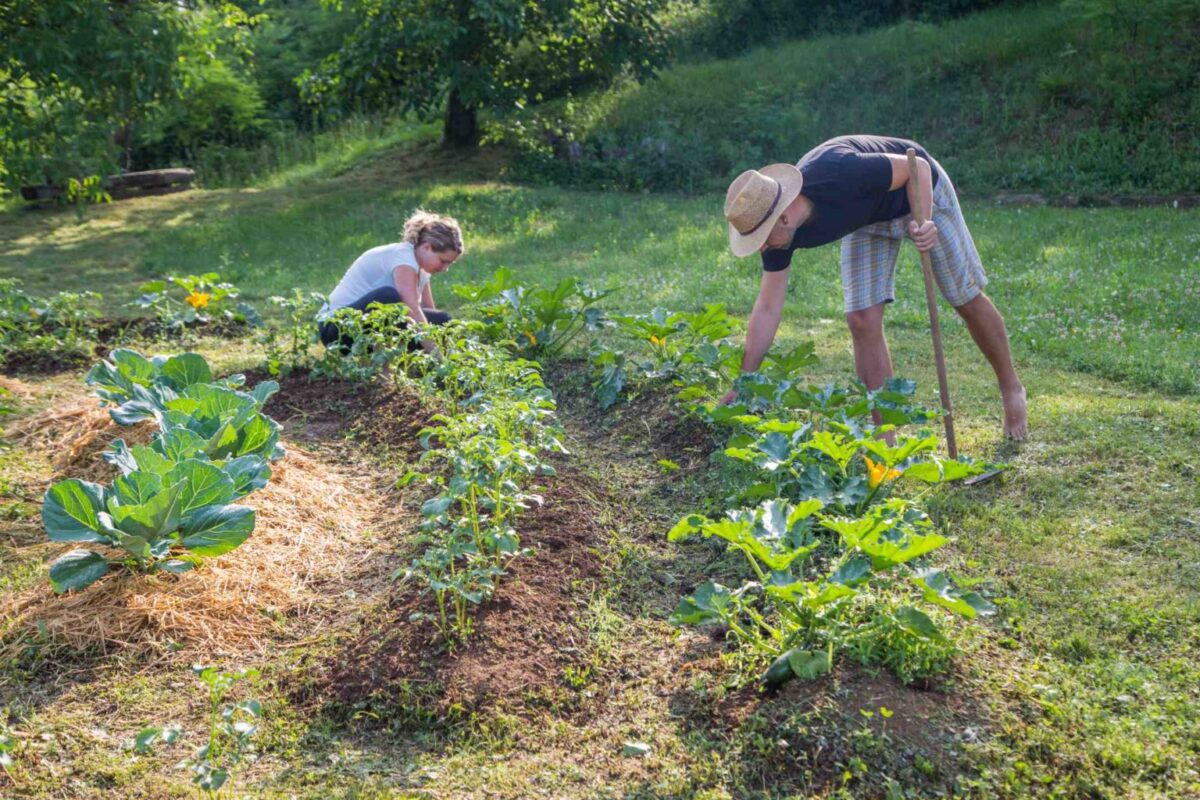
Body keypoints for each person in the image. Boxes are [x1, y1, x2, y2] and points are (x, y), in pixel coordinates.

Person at [721, 134, 1027, 439]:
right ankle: (886, 438)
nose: (760, 248)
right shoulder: (778, 236)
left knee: (965, 298)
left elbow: (916, 166)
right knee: (861, 319)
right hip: (866, 220)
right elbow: (768, 307)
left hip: (919, 192)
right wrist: (743, 381)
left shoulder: (839, 172)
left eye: (760, 239)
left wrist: (925, 221)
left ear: (784, 216)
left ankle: (1011, 387)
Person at [318, 210, 463, 352]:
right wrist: (437, 356)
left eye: (449, 264)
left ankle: (409, 367)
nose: (445, 269)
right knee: (390, 298)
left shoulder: (421, 268)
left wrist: (444, 349)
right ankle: (385, 373)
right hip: (335, 329)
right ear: (427, 247)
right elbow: (412, 310)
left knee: (442, 320)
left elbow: (429, 315)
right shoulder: (403, 258)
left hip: (366, 325)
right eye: (443, 261)